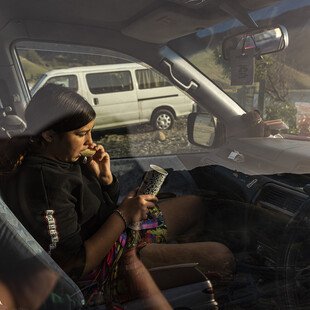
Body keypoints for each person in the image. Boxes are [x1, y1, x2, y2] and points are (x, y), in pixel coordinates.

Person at [0, 84, 234, 308]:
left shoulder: (64, 157)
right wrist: (123, 215)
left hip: (117, 230)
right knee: (222, 257)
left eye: (91, 131)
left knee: (195, 205)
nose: (91, 142)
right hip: (105, 265)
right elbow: (73, 266)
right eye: (82, 133)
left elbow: (98, 208)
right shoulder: (43, 184)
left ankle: (170, 252)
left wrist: (106, 180)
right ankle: (164, 260)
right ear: (49, 135)